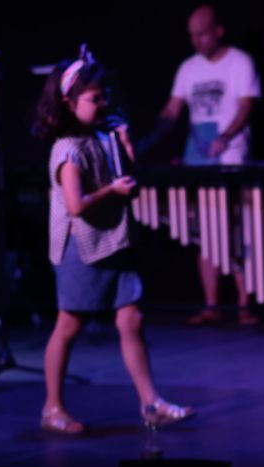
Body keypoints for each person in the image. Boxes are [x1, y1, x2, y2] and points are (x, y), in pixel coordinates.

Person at [32, 48, 192, 435]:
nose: (102, 104)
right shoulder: (68, 150)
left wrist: (127, 147)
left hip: (114, 240)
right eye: (93, 99)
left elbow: (127, 182)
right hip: (81, 246)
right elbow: (76, 206)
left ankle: (150, 402)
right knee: (69, 324)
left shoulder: (104, 137)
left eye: (104, 96)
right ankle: (52, 407)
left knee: (131, 318)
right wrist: (112, 191)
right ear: (69, 103)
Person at [144, 5, 261, 326]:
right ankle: (211, 305)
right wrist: (146, 141)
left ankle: (243, 305)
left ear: (218, 31)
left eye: (202, 34)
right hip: (198, 159)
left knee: (234, 230)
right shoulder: (187, 69)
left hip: (230, 157)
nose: (196, 41)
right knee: (204, 234)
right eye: (192, 35)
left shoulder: (240, 62)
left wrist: (225, 137)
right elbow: (172, 111)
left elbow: (246, 106)